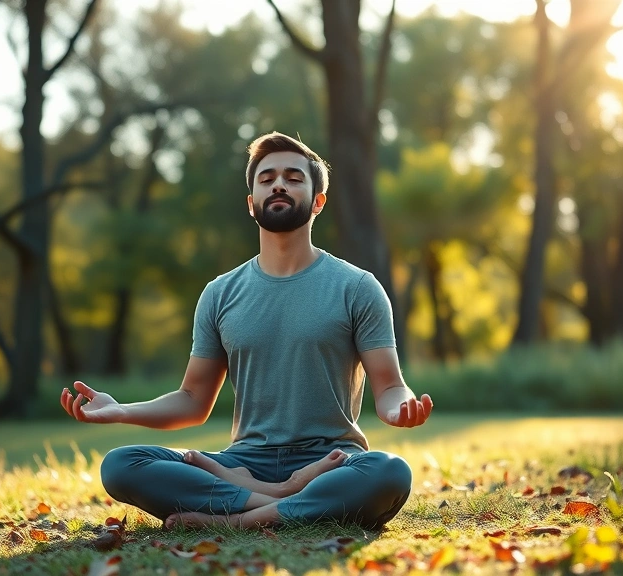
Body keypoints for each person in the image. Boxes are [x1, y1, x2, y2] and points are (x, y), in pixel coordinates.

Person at [60, 131, 434, 530]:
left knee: (389, 471)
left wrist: (399, 407)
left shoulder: (357, 287)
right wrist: (120, 411)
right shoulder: (220, 293)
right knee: (122, 464)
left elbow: (390, 385)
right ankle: (278, 500)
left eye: (294, 177)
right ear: (251, 202)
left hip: (331, 460)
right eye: (267, 177)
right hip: (245, 463)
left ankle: (238, 519)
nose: (278, 184)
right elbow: (192, 400)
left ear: (318, 201)